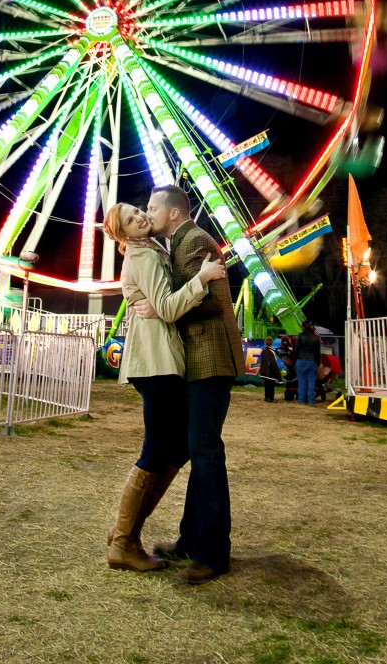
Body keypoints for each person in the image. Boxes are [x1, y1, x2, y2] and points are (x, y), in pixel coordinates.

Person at [102, 201, 226, 573]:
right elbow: (169, 307)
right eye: (130, 218)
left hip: (160, 361)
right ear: (123, 233)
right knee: (157, 450)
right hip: (154, 363)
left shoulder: (153, 251)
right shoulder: (143, 257)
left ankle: (126, 530)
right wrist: (201, 279)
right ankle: (124, 541)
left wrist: (159, 304)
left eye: (139, 209)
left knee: (175, 449)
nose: (141, 215)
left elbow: (161, 305)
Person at [135, 184, 245, 585]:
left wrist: (163, 311)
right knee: (198, 451)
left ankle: (213, 554)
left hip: (210, 359)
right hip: (198, 360)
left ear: (175, 213)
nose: (147, 214)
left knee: (206, 453)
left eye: (152, 207)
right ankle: (191, 540)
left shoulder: (195, 240)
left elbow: (213, 301)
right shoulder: (178, 242)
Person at [291, 320, 321, 405]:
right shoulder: (316, 338)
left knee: (301, 381)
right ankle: (311, 400)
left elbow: (296, 350)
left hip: (301, 361)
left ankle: (302, 400)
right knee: (311, 381)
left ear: (303, 327)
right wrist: (318, 363)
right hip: (312, 361)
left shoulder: (300, 336)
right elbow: (317, 352)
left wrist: (294, 361)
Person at [259, 336, 282, 402]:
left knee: (266, 386)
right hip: (270, 373)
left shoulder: (263, 351)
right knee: (271, 386)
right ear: (272, 343)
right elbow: (274, 364)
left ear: (265, 342)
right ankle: (271, 398)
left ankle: (266, 397)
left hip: (264, 372)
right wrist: (278, 375)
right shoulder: (272, 352)